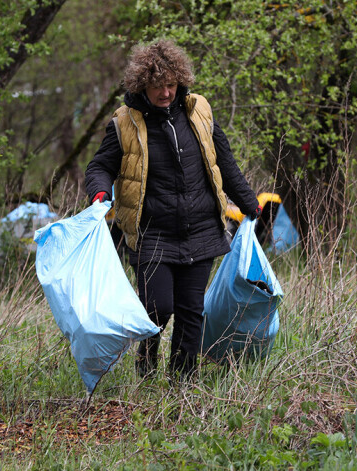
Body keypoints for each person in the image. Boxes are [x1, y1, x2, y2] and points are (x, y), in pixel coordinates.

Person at [84, 39, 261, 382]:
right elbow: (98, 167)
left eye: (170, 84)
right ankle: (146, 361)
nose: (165, 93)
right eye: (156, 87)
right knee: (157, 309)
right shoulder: (125, 124)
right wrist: (100, 193)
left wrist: (249, 202)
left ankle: (182, 382)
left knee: (191, 311)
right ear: (142, 86)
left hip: (201, 229)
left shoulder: (199, 112)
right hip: (151, 233)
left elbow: (224, 161)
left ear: (180, 80)